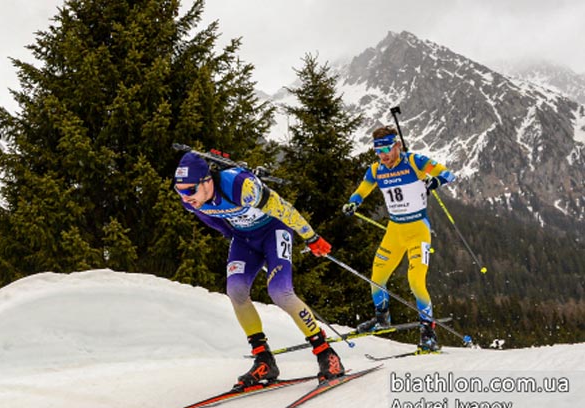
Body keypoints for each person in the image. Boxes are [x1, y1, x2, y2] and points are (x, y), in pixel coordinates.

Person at [174, 151, 345, 388]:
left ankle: (326, 352)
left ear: (207, 181)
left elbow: (284, 210)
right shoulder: (193, 201)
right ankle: (264, 358)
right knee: (235, 290)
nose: (185, 197)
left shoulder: (241, 187)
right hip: (244, 240)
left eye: (189, 190)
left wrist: (311, 237)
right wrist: (231, 233)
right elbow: (212, 218)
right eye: (179, 191)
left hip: (273, 231)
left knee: (280, 292)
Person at [342, 126, 455, 351]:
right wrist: (353, 202)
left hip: (418, 231)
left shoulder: (415, 161)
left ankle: (428, 332)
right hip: (394, 231)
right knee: (377, 277)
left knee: (416, 281)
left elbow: (448, 174)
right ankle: (382, 319)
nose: (383, 154)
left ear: (397, 145)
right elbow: (362, 190)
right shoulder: (376, 170)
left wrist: (434, 182)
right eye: (377, 149)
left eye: (386, 148)